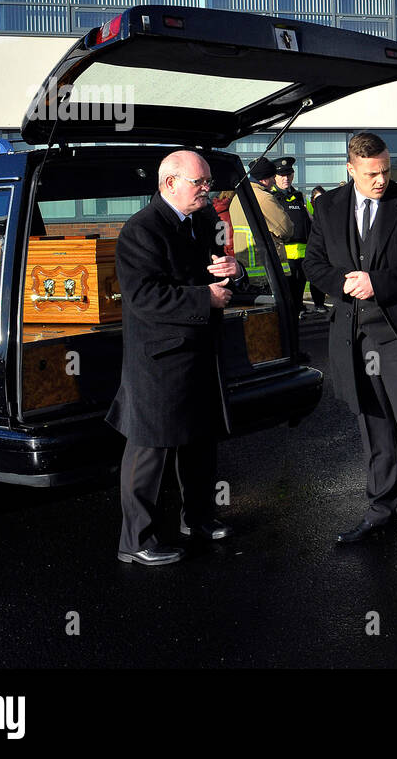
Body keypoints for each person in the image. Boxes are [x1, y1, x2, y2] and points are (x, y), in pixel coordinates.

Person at [303, 133, 397, 560]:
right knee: (374, 430)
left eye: (386, 170)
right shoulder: (328, 206)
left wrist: (378, 283)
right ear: (350, 169)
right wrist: (343, 284)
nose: (381, 180)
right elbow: (314, 262)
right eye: (371, 173)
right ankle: (379, 512)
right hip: (352, 335)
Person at [110, 150, 244, 566]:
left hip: (199, 353)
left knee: (201, 442)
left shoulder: (204, 221)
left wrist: (233, 271)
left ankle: (199, 518)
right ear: (169, 183)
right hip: (158, 359)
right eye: (199, 183)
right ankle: (135, 541)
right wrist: (206, 297)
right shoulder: (140, 230)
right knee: (150, 449)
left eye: (208, 182)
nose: (208, 189)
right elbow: (143, 296)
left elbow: (220, 273)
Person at [272, 156, 311, 315]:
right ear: (274, 177)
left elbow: (309, 220)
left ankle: (298, 310)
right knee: (285, 291)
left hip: (302, 252)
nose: (286, 178)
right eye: (282, 175)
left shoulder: (300, 196)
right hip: (284, 254)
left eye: (288, 175)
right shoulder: (271, 197)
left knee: (299, 289)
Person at [248, 157, 294, 278]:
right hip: (266, 268)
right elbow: (286, 229)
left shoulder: (239, 196)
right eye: (273, 177)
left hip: (247, 265)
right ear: (263, 179)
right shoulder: (264, 198)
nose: (274, 181)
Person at [307, 186, 327, 311]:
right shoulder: (307, 209)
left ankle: (320, 303)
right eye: (317, 199)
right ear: (312, 200)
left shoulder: (328, 210)